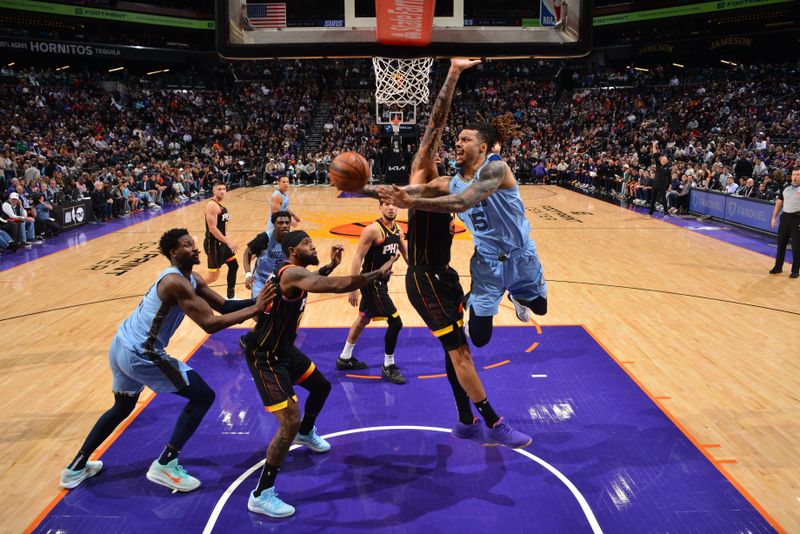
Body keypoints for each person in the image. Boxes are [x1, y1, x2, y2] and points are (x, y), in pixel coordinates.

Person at [366, 58, 532, 450]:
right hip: (423, 279)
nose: (450, 145)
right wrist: (453, 74)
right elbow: (434, 126)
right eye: (450, 142)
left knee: (454, 348)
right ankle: (493, 423)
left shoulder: (449, 182)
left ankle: (464, 421)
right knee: (461, 354)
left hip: (442, 276)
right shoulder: (422, 173)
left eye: (461, 143)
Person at [59, 228, 275, 492]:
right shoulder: (175, 282)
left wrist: (258, 300)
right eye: (187, 245)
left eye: (194, 243)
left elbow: (223, 307)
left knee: (122, 407)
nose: (195, 248)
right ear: (173, 252)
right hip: (142, 352)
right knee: (202, 396)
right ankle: (165, 463)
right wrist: (255, 308)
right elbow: (209, 324)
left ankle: (75, 468)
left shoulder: (191, 278)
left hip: (122, 344)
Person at [243, 230, 397, 517]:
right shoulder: (289, 273)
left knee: (321, 387)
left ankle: (305, 433)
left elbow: (314, 280)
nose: (312, 246)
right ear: (292, 251)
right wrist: (375, 273)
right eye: (306, 243)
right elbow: (331, 286)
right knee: (288, 420)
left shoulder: (293, 274)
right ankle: (261, 493)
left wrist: (331, 265)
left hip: (284, 350)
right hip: (266, 356)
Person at [380, 112, 547, 349]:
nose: (457, 143)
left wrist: (411, 202)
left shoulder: (497, 168)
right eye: (457, 139)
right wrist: (366, 187)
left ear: (483, 147)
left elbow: (462, 202)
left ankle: (515, 295)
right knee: (479, 339)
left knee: (540, 307)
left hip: (521, 256)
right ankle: (479, 298)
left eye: (465, 139)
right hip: (487, 262)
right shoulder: (449, 183)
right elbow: (410, 190)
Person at [337, 199, 409, 384]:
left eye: (394, 204)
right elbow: (357, 257)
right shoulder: (372, 230)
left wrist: (418, 273)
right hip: (372, 283)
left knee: (363, 319)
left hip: (381, 282)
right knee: (396, 322)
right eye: (386, 204)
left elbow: (406, 254)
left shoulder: (399, 230)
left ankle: (344, 358)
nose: (391, 207)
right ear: (380, 207)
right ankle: (388, 365)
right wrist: (353, 287)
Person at [204, 180, 240, 298]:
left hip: (222, 243)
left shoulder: (220, 205)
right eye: (219, 189)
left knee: (234, 266)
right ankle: (191, 290)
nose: (222, 191)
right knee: (213, 277)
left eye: (224, 189)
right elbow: (213, 229)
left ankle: (231, 296)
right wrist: (228, 241)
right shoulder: (211, 205)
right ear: (213, 190)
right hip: (213, 244)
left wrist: (226, 240)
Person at [769, 167, 800, 278]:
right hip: (785, 218)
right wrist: (774, 217)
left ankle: (795, 270)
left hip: (797, 219)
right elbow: (779, 203)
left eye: (797, 175)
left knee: (796, 246)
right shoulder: (785, 188)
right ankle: (778, 267)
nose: (795, 177)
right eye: (793, 174)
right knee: (781, 244)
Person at [649, 141, 670, 216]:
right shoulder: (658, 165)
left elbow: (669, 177)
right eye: (662, 160)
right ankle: (650, 212)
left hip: (662, 185)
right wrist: (654, 145)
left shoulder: (668, 168)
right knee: (653, 199)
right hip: (655, 184)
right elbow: (655, 154)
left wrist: (669, 185)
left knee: (663, 199)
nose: (663, 161)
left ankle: (666, 212)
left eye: (665, 160)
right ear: (660, 161)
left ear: (667, 161)